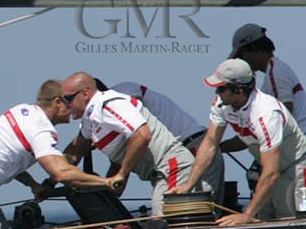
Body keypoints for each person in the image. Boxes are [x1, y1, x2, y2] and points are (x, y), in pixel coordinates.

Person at [0, 80, 112, 229]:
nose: (73, 108)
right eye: (69, 103)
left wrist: (33, 185)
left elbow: (7, 159)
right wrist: (107, 182)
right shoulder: (41, 129)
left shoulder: (22, 111)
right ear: (57, 102)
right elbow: (62, 173)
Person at [178, 58, 306, 226]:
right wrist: (188, 185)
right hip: (270, 170)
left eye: (221, 88)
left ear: (239, 90)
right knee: (264, 220)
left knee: (291, 224)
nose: (217, 93)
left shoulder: (266, 113)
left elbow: (271, 173)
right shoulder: (222, 104)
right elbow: (211, 143)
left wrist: (246, 215)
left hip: (296, 168)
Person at [57, 72, 202, 217]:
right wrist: (49, 182)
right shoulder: (89, 121)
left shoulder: (109, 104)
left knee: (163, 222)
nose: (65, 105)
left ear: (85, 93)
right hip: (161, 174)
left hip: (173, 167)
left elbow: (142, 135)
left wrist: (122, 174)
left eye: (68, 99)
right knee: (161, 224)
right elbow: (74, 152)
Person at [109, 79, 223, 199]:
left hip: (191, 147)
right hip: (185, 150)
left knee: (200, 208)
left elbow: (133, 132)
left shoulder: (120, 93)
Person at [230, 23, 306, 140]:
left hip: (302, 150)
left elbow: (285, 115)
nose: (241, 62)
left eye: (241, 56)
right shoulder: (274, 71)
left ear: (255, 49)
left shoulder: (276, 73)